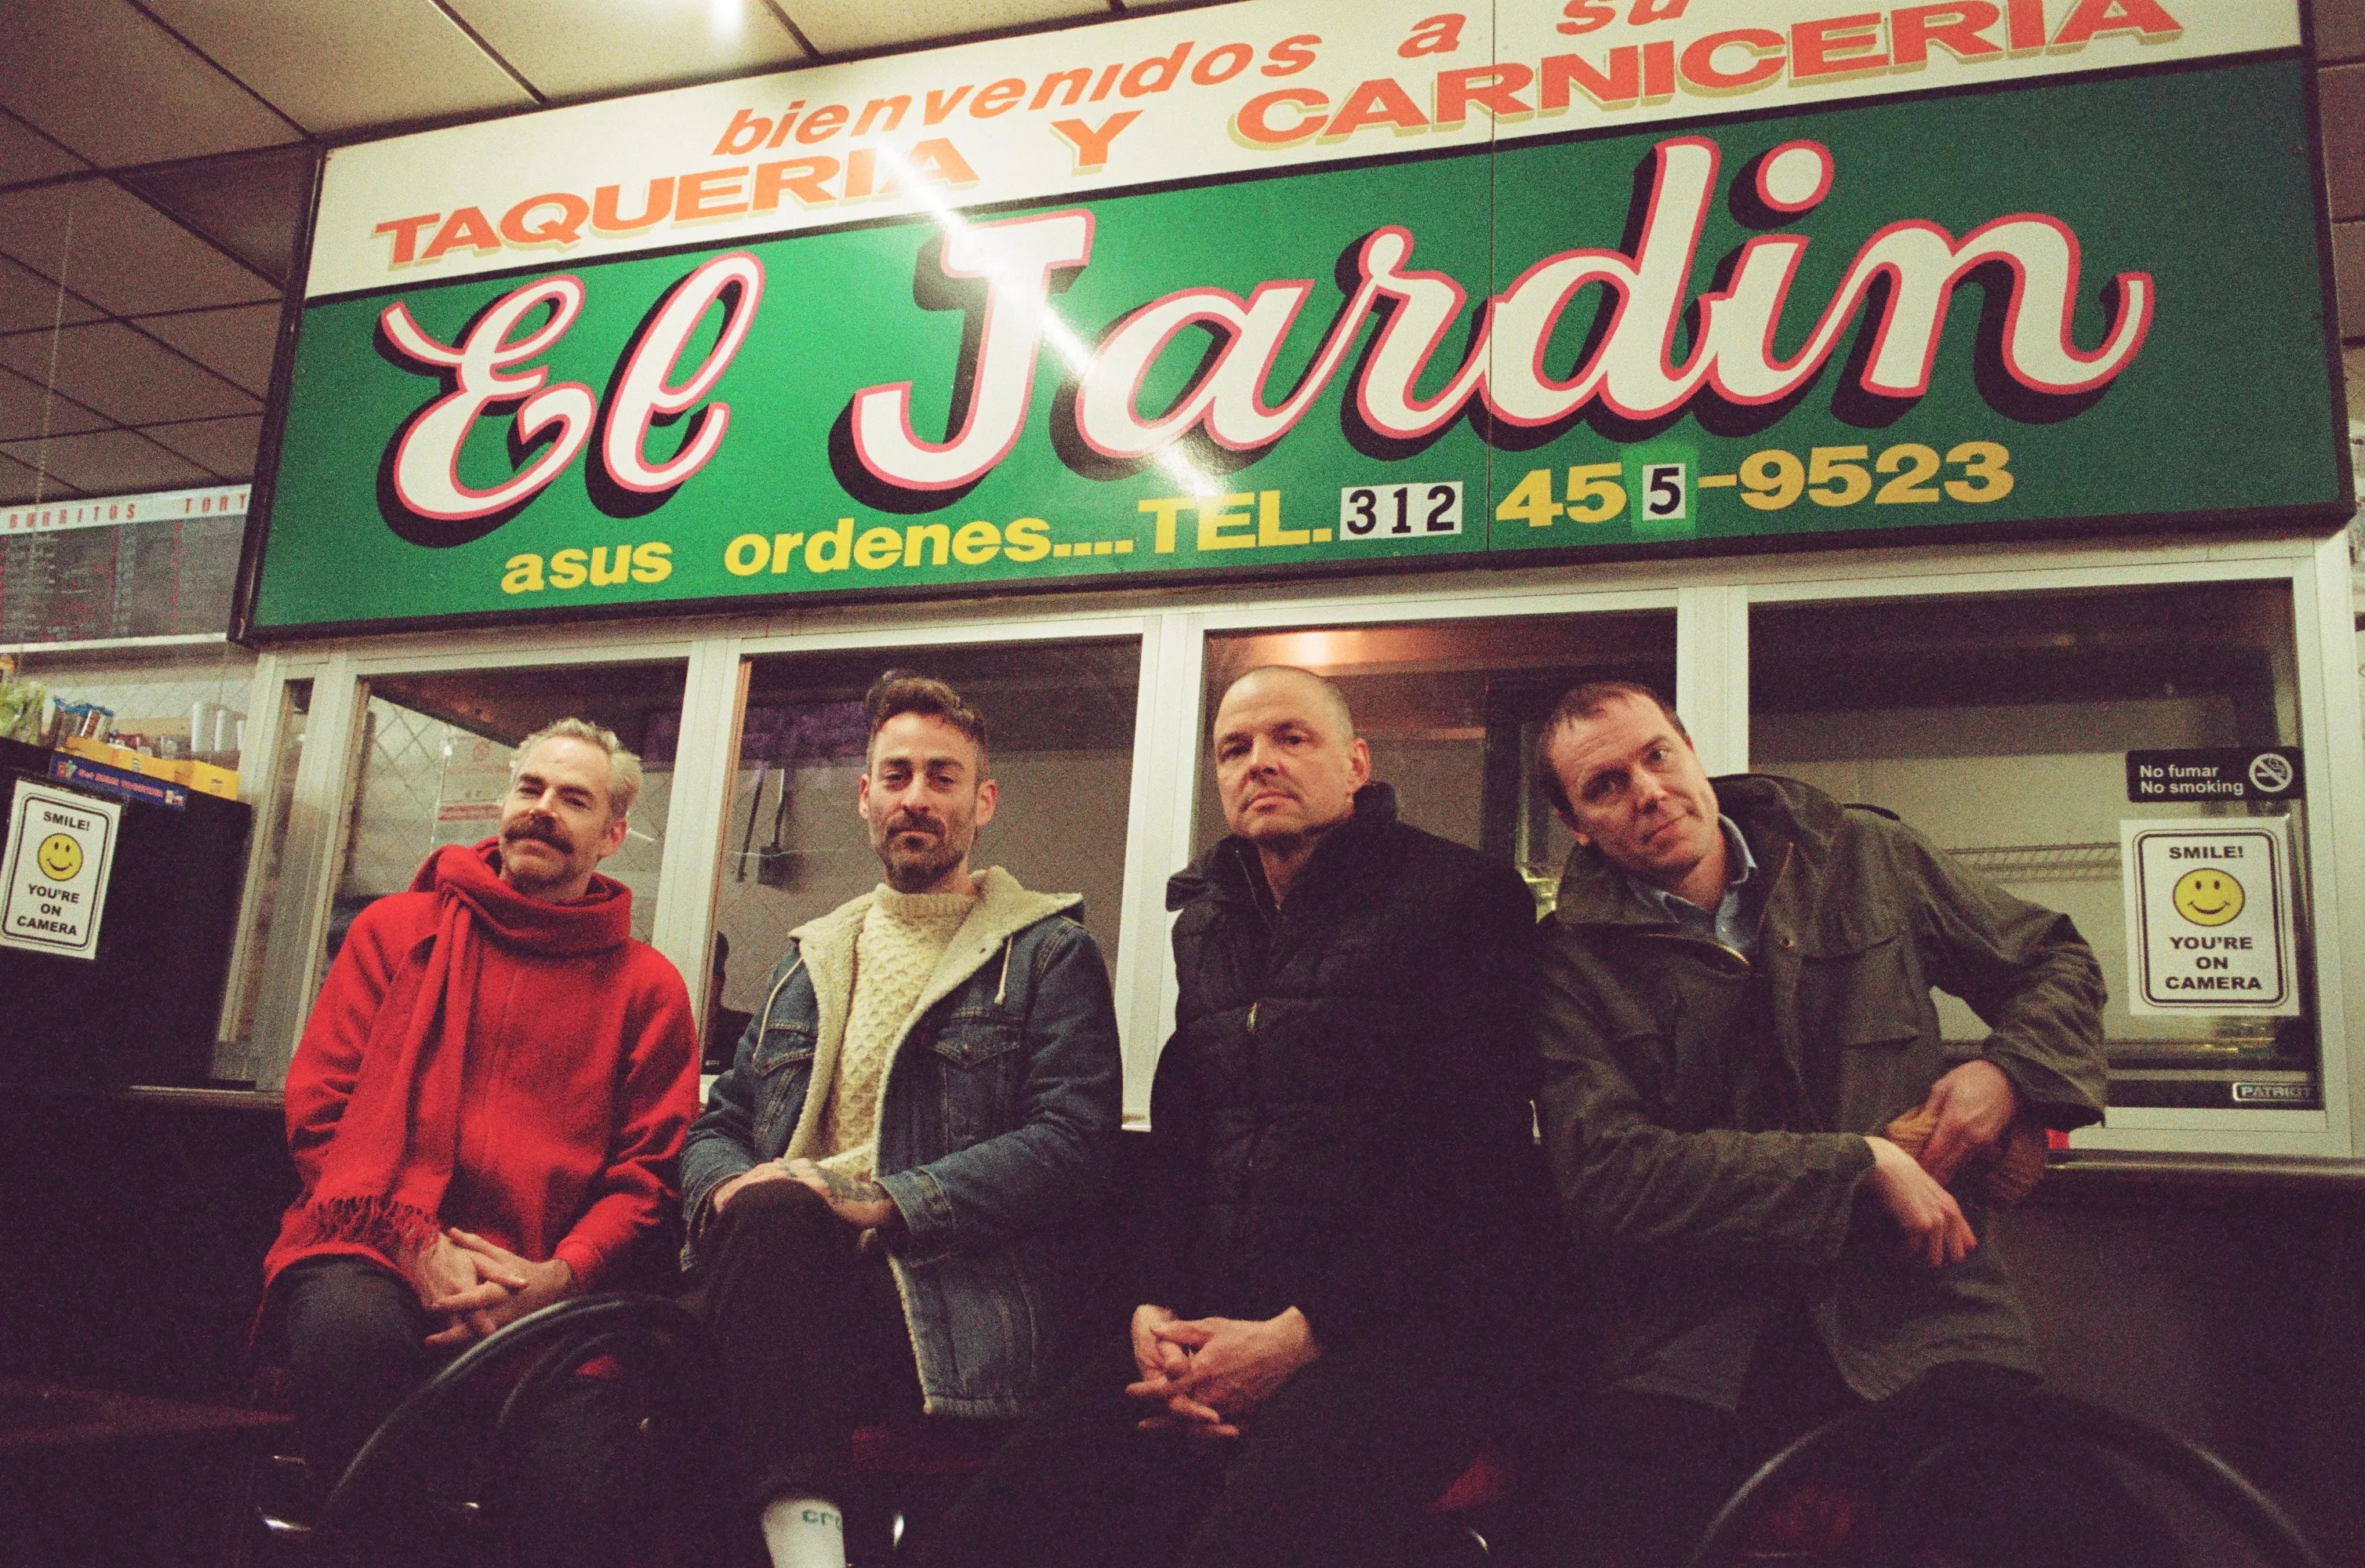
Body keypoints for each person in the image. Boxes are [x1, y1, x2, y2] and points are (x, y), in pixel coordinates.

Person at [919, 665, 1542, 1568]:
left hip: (1406, 1331)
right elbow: (1188, 1142)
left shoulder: (1462, 897)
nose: (1260, 761)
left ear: (1355, 762)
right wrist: (1153, 1310)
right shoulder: (1208, 920)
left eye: (1292, 737)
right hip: (1218, 1328)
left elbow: (1476, 1168)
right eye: (1234, 747)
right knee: (986, 1529)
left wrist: (1302, 1334)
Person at [1528, 681, 2109, 1567]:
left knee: (2073, 1528)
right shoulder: (1568, 963)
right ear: (1576, 826)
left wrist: (2007, 1074)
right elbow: (1611, 1182)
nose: (1647, 791)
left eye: (1656, 755)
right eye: (1605, 785)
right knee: (1590, 1540)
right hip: (1692, 1347)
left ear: (1691, 753)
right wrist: (1860, 1164)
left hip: (1923, 1315)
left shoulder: (1861, 854)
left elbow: (2053, 960)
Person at [679, 671, 1122, 1568]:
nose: (915, 796)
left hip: (943, 1301)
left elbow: (1073, 1143)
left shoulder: (1047, 952)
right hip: (778, 1265)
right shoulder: (809, 955)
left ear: (982, 801)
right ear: (864, 796)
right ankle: (804, 1537)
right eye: (896, 774)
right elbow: (714, 1128)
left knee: (698, 1369)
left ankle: (802, 1539)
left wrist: (885, 1199)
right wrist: (730, 1187)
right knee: (667, 1330)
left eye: (941, 776)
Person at [259, 717, 700, 1567]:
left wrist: (556, 1277)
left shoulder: (648, 986)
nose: (543, 809)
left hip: (548, 1291)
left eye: (574, 799)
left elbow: (647, 1175)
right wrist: (417, 1246)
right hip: (373, 1247)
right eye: (530, 788)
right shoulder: (395, 930)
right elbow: (322, 1111)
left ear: (612, 836)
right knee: (348, 1344)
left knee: (581, 1489)